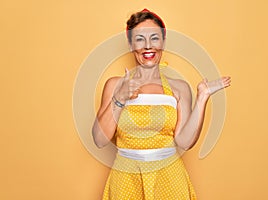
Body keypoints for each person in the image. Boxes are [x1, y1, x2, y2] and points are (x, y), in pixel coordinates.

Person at [92, 8, 231, 200]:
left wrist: (202, 97)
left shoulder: (179, 88)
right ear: (131, 44)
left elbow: (184, 141)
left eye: (154, 38)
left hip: (169, 177)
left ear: (163, 42)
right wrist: (120, 97)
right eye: (140, 38)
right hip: (126, 179)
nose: (148, 45)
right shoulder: (115, 85)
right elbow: (99, 140)